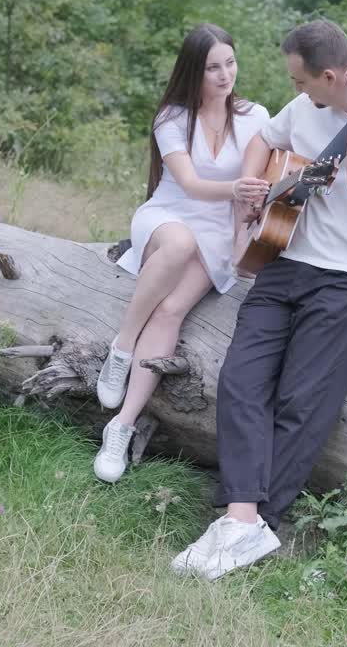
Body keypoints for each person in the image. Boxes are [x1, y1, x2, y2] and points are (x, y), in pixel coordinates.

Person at [172, 19, 347, 579]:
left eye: (301, 81)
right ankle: (241, 520)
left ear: (332, 76)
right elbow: (266, 140)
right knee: (240, 379)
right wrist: (252, 193)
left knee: (302, 402)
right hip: (283, 259)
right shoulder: (304, 110)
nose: (296, 92)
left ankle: (256, 522)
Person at [93, 24, 271, 483]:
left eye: (230, 63)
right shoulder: (171, 118)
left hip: (215, 232)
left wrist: (239, 245)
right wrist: (235, 188)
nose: (225, 74)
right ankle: (122, 346)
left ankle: (122, 424)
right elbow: (190, 185)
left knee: (172, 310)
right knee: (178, 243)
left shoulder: (255, 118)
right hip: (168, 215)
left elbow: (252, 196)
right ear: (194, 71)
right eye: (213, 67)